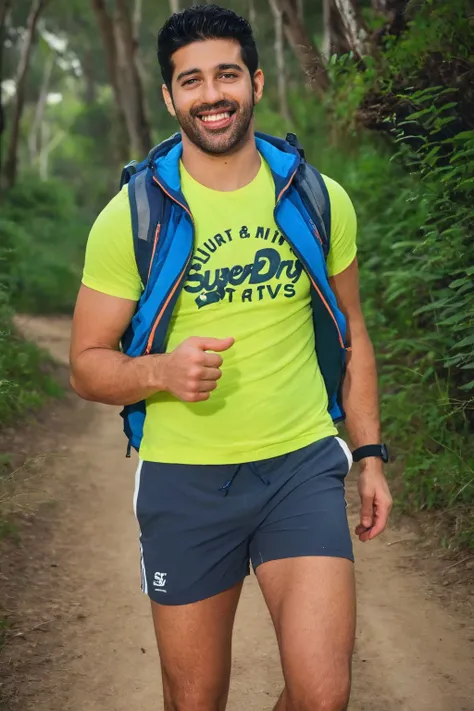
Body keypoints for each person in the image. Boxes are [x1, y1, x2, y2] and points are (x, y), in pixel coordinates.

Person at [70, 5, 392, 710]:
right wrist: (159, 370)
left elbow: (354, 330)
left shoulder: (317, 198)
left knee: (323, 694)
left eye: (225, 75)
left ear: (256, 81)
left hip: (300, 465)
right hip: (185, 480)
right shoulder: (131, 217)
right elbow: (87, 363)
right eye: (191, 81)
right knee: (195, 701)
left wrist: (368, 452)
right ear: (169, 97)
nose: (211, 95)